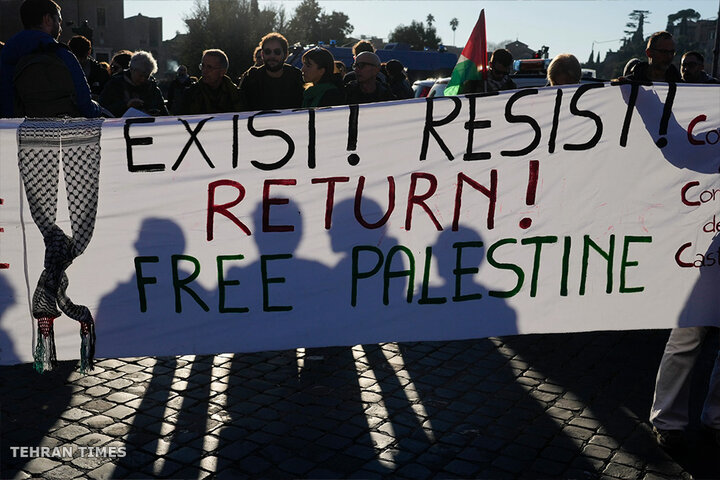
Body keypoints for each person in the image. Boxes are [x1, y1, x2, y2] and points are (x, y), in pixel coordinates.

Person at [0, 0, 100, 118]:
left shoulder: (6, 53)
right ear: (47, 19)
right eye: (59, 21)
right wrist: (97, 107)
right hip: (58, 130)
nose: (60, 29)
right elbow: (85, 106)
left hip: (13, 130)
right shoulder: (61, 53)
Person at [238, 32, 304, 111]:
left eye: (277, 52)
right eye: (267, 52)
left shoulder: (296, 77)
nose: (272, 56)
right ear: (262, 54)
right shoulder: (251, 78)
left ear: (286, 55)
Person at [99, 50, 168, 117]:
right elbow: (103, 109)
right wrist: (126, 105)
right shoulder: (114, 84)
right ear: (131, 69)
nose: (143, 79)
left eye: (147, 76)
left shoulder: (153, 88)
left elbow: (163, 113)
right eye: (140, 76)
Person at [175, 50, 243, 115]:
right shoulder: (190, 94)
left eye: (209, 67)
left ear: (223, 71)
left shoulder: (236, 95)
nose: (204, 71)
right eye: (203, 66)